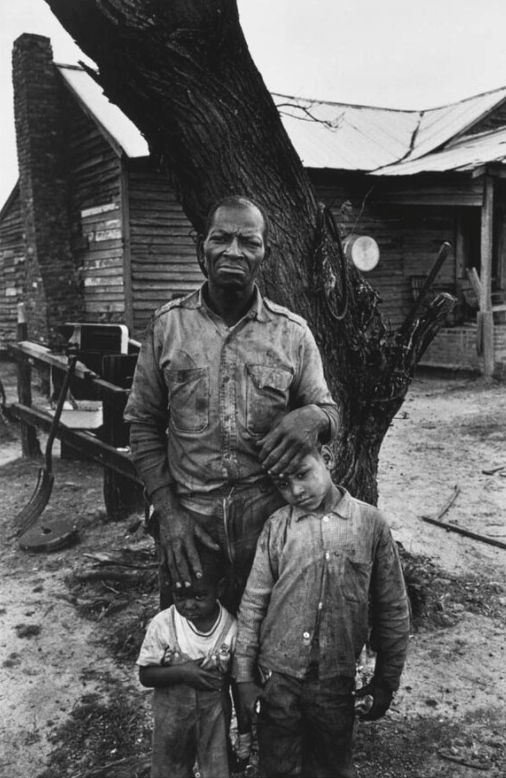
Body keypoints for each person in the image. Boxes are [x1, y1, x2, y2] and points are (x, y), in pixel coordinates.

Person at [124, 194, 340, 610]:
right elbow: (142, 424)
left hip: (271, 522)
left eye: (249, 241)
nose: (234, 251)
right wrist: (167, 513)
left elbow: (329, 412)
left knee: (269, 651)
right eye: (221, 238)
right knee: (191, 654)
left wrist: (313, 417)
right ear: (200, 247)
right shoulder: (167, 327)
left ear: (265, 253)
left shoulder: (292, 334)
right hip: (190, 524)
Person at [233, 444, 410, 778]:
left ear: (327, 459)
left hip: (336, 679)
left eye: (303, 475)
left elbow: (393, 607)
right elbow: (253, 603)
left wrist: (387, 679)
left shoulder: (369, 523)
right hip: (278, 678)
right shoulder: (277, 527)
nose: (296, 491)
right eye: (283, 484)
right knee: (277, 764)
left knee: (330, 764)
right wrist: (243, 676)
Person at [137, 544, 249, 778]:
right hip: (172, 718)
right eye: (181, 596)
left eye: (198, 596)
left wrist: (244, 731)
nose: (189, 605)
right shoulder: (163, 624)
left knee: (216, 768)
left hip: (214, 717)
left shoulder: (230, 629)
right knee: (171, 767)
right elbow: (145, 676)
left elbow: (235, 682)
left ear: (219, 588)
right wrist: (182, 672)